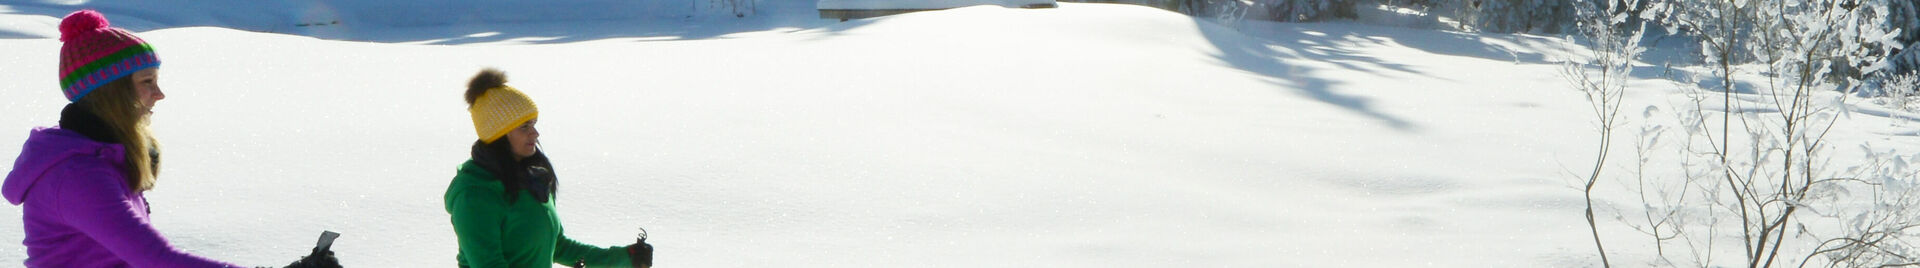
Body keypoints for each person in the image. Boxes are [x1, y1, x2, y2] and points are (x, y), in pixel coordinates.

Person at [1, 10, 340, 268]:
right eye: (147, 81)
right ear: (111, 93)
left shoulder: (101, 158)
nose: (159, 94)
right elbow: (157, 260)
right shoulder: (77, 176)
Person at [446, 68, 653, 268]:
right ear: (499, 135)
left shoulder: (532, 179)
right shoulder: (474, 195)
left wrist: (625, 258)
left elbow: (558, 247)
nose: (535, 133)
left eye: (533, 124)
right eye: (524, 127)